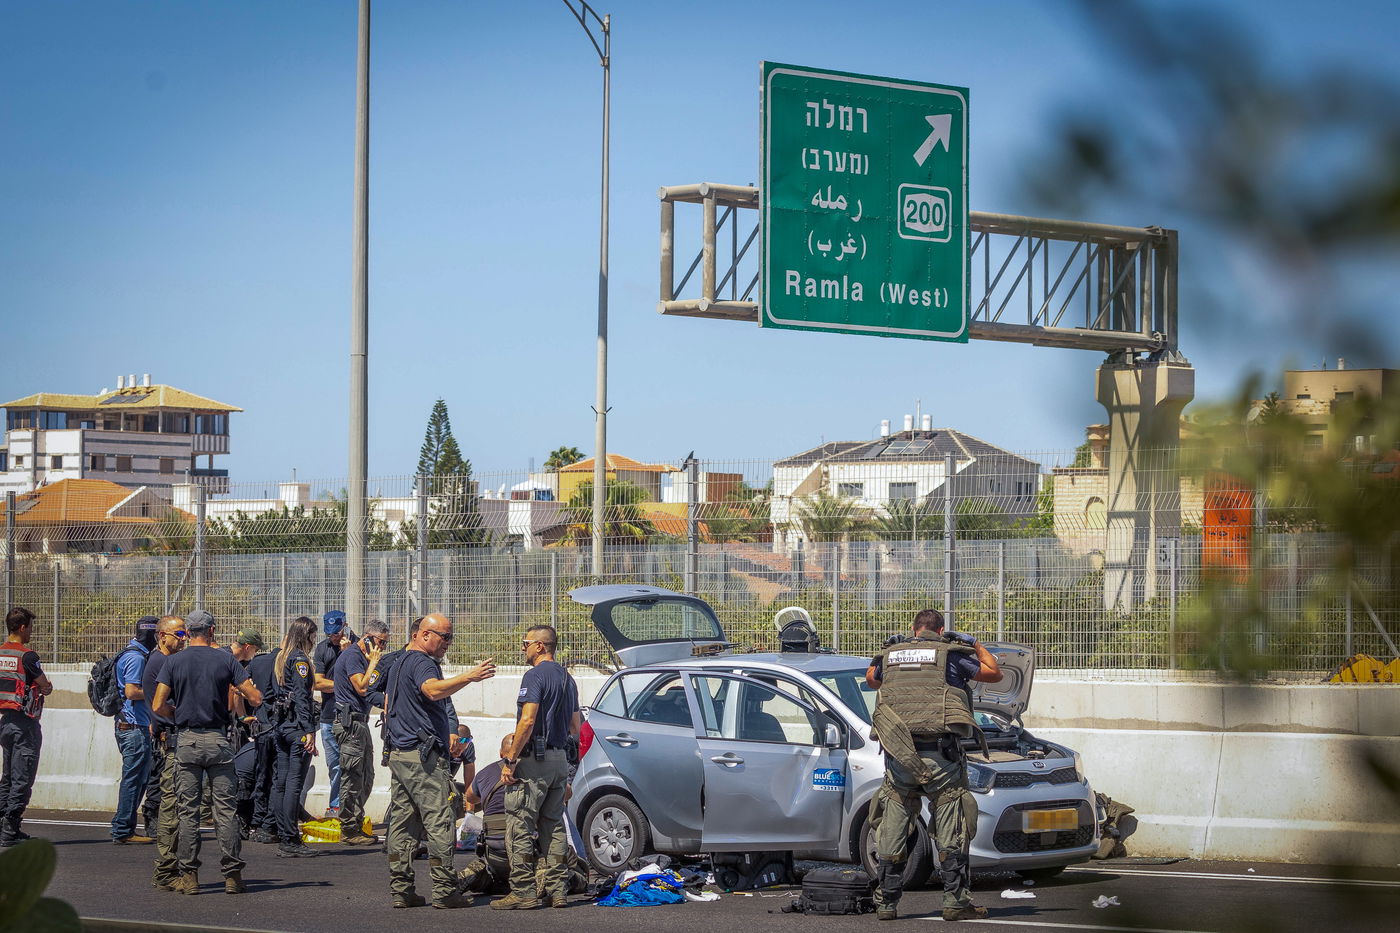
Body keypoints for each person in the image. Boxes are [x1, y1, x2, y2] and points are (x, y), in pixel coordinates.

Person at [863, 609, 1001, 922]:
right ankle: (955, 902)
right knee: (952, 826)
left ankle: (886, 904)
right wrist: (974, 643)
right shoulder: (950, 655)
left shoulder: (892, 655)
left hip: (900, 757)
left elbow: (872, 680)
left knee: (892, 827)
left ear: (913, 629)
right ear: (940, 631)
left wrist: (882, 652)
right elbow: (994, 673)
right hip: (942, 757)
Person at [382, 613, 495, 909]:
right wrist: (469, 676)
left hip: (401, 754)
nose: (447, 643)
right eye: (444, 637)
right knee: (440, 821)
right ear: (423, 634)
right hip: (422, 759)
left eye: (450, 637)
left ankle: (401, 890)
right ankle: (445, 890)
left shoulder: (399, 662)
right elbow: (431, 690)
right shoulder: (422, 662)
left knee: (403, 824)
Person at [151, 610, 262, 895]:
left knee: (188, 813)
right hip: (217, 739)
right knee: (225, 811)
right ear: (212, 631)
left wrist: (175, 714)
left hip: (186, 740)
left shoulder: (174, 662)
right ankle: (232, 876)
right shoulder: (225, 659)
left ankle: (189, 877)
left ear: (187, 633)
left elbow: (157, 704)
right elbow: (255, 697)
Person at [491, 624, 581, 911]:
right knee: (553, 827)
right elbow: (575, 727)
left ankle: (523, 891)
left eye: (526, 642)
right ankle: (558, 891)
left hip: (534, 760)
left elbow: (527, 721)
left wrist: (510, 759)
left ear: (540, 646)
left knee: (519, 824)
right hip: (558, 759)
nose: (523, 648)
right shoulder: (568, 679)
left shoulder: (534, 676)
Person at [459, 735, 587, 897]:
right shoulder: (537, 770)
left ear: (500, 753)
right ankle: (547, 874)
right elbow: (566, 793)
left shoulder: (484, 773)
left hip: (495, 854)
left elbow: (470, 797)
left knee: (501, 883)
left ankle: (481, 875)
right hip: (530, 850)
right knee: (568, 860)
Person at [0, 607, 53, 847]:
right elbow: (44, 685)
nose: (32, 631)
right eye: (30, 627)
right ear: (22, 628)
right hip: (25, 724)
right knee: (23, 777)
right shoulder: (27, 656)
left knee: (8, 776)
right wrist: (46, 687)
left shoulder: (1, 652)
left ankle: (4, 825)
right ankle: (10, 829)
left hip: (6, 722)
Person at [331, 618, 387, 845]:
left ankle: (355, 821)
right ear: (369, 638)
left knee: (366, 777)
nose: (382, 648)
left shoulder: (357, 656)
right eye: (380, 642)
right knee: (352, 777)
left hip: (360, 723)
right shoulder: (353, 655)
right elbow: (362, 687)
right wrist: (373, 662)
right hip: (351, 724)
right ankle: (349, 828)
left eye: (384, 644)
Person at [269, 617, 321, 859]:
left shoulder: (281, 657)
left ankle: (283, 833)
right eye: (313, 634)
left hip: (281, 726)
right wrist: (309, 729)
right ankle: (290, 838)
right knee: (293, 784)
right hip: (295, 727)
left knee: (281, 783)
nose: (315, 639)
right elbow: (301, 696)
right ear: (306, 634)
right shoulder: (300, 659)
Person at [143, 616, 186, 889]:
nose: (183, 637)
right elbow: (161, 706)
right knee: (171, 807)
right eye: (178, 633)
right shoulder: (161, 663)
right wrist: (185, 713)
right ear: (162, 636)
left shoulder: (164, 661)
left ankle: (172, 866)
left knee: (177, 807)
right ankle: (167, 871)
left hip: (169, 737)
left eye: (184, 632)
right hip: (170, 740)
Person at [111, 615, 159, 845]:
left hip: (134, 726)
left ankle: (125, 827)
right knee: (133, 779)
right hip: (133, 728)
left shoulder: (133, 653)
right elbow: (131, 692)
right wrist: (158, 692)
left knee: (139, 779)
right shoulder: (136, 658)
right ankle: (122, 830)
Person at [314, 610, 349, 820]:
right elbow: (318, 683)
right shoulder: (322, 649)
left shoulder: (356, 647)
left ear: (345, 626)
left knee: (353, 766)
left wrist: (346, 653)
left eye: (336, 632)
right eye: (330, 633)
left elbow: (361, 681)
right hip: (328, 716)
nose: (333, 637)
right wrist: (343, 686)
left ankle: (351, 809)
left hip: (351, 716)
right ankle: (335, 806)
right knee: (335, 765)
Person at [245, 636, 280, 845]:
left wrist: (243, 714)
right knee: (276, 777)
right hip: (276, 725)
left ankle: (257, 820)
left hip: (261, 724)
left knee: (261, 775)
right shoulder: (286, 661)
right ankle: (269, 823)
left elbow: (239, 688)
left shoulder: (257, 661)